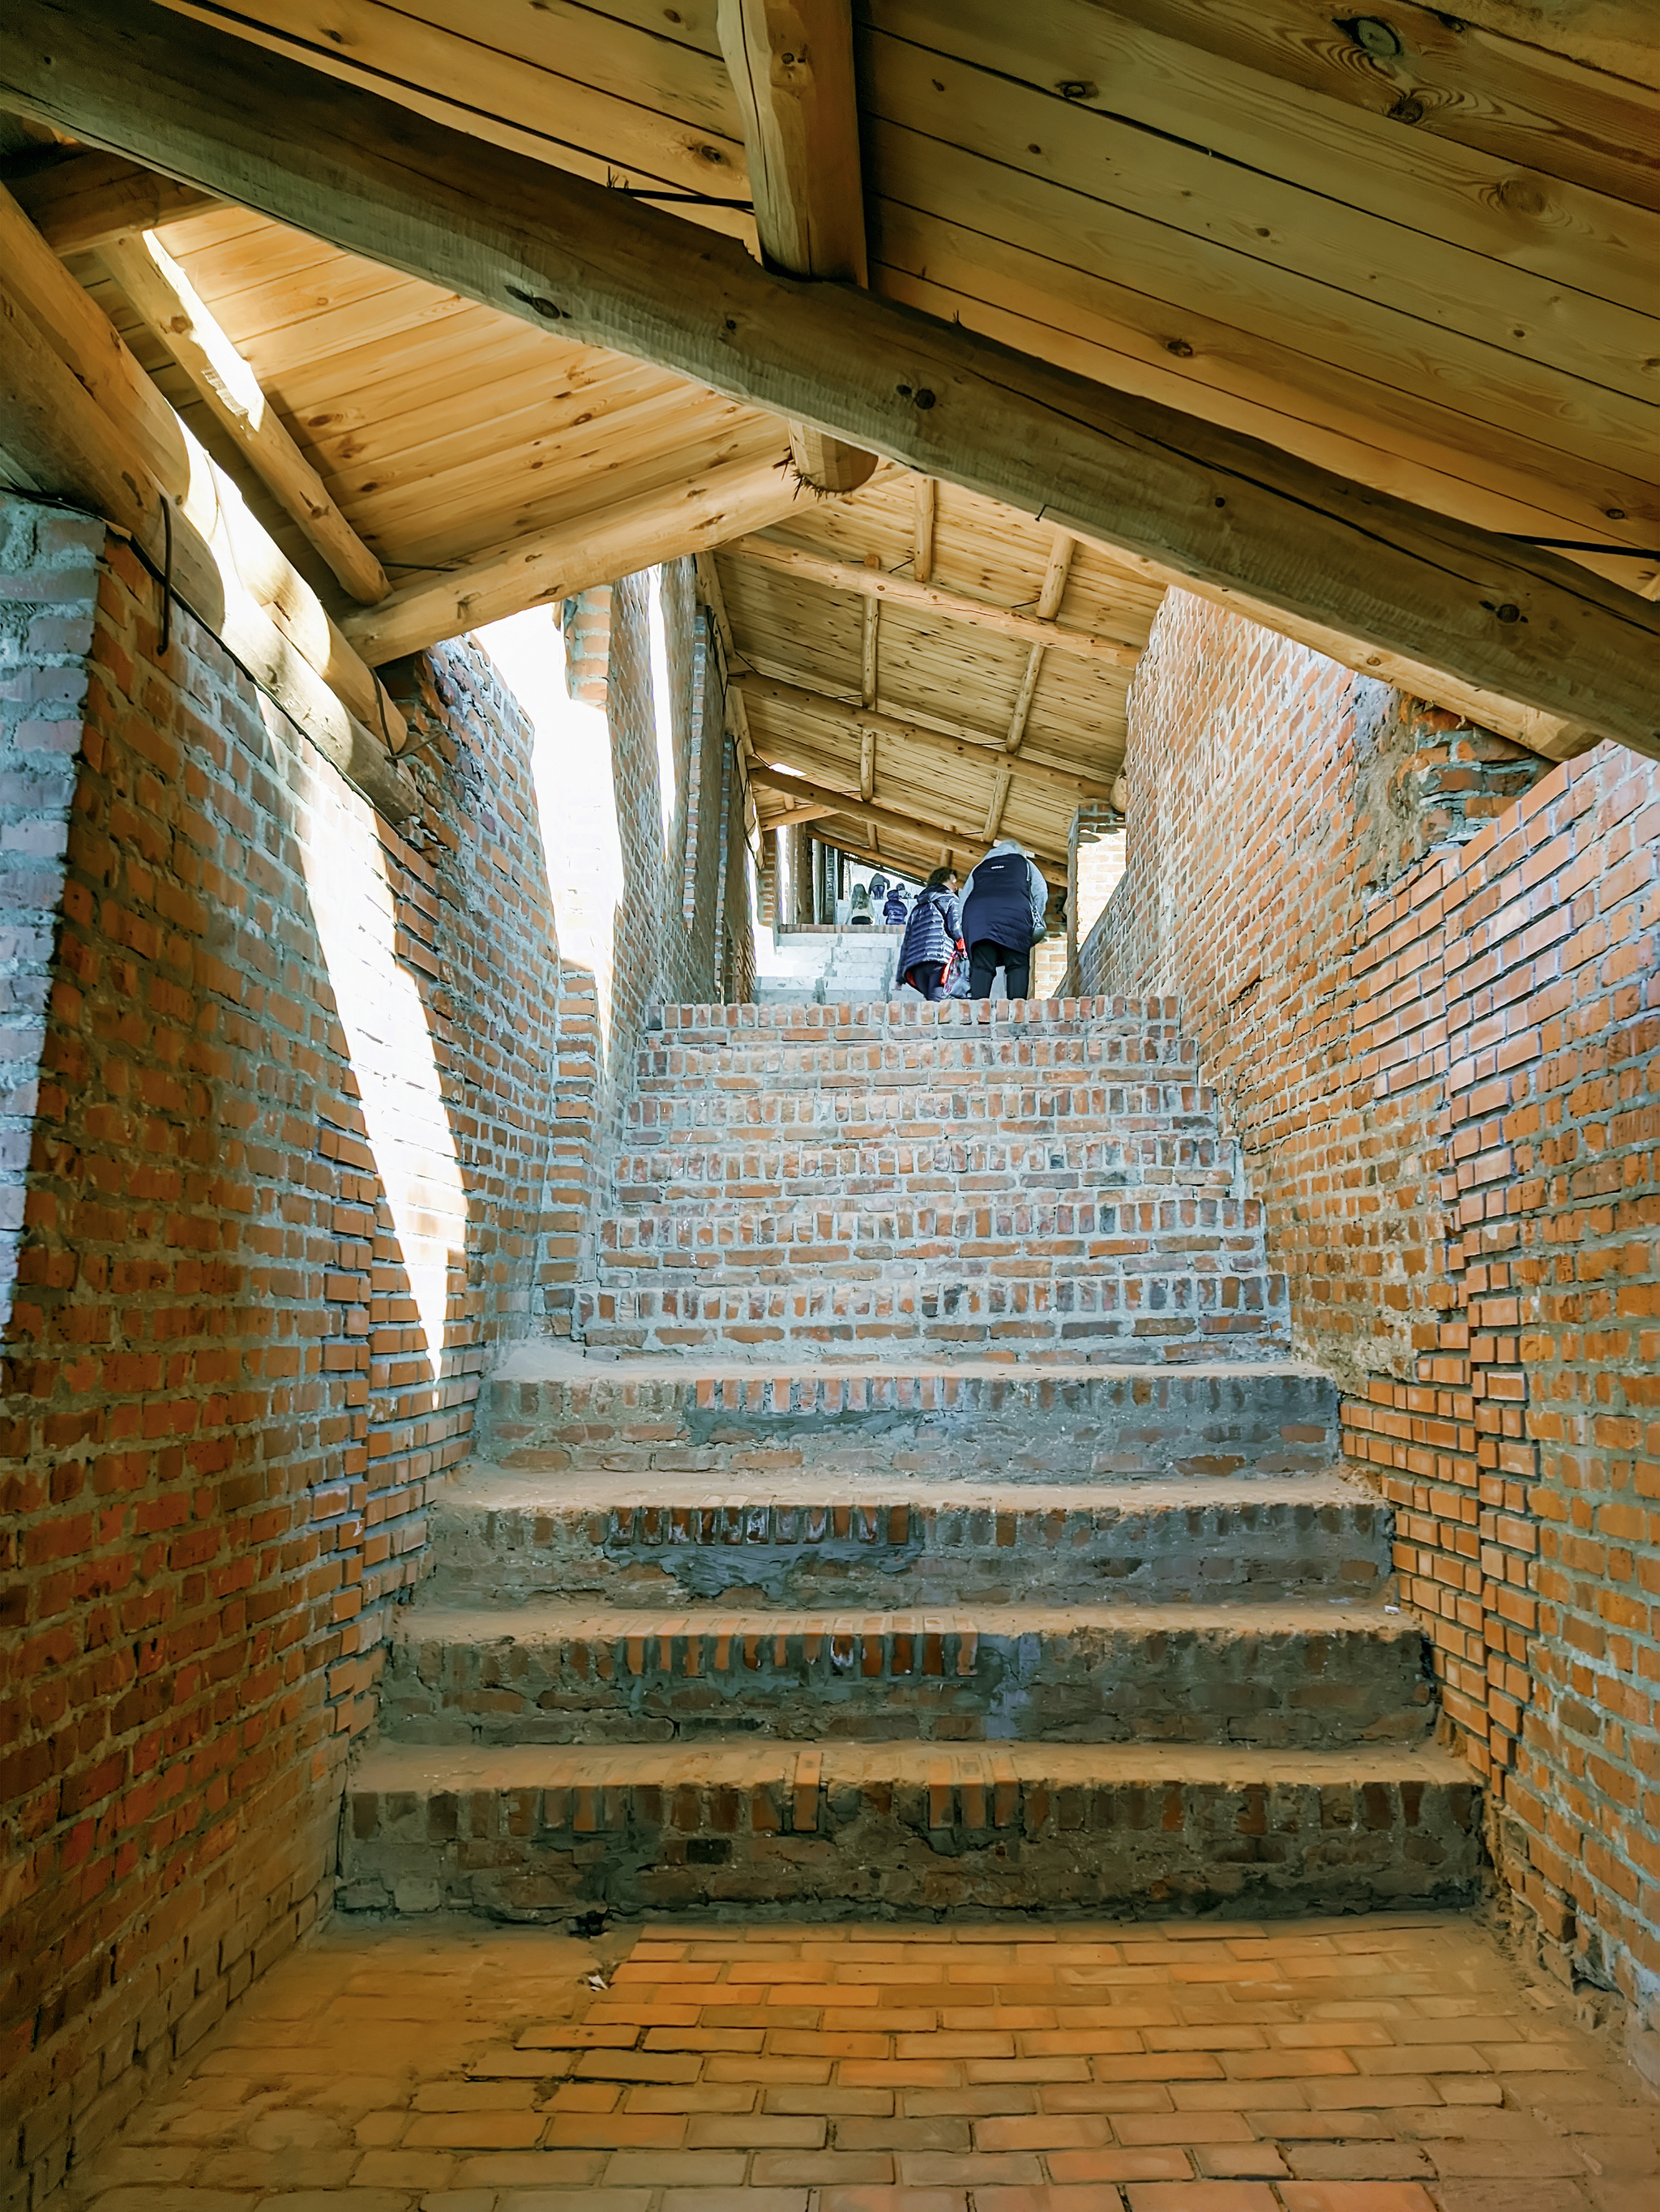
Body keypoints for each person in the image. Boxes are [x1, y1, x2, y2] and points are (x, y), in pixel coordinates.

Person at [960, 838, 1047, 1001]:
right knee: (1017, 963)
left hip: (979, 920)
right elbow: (1040, 892)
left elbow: (963, 900)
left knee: (982, 965)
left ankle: (978, 1012)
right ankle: (1017, 1010)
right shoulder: (1025, 864)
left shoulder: (979, 868)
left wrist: (966, 930)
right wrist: (1035, 919)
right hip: (1015, 917)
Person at [896, 868, 962, 1000]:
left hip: (916, 965)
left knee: (931, 1005)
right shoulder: (950, 900)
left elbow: (907, 942)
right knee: (936, 1005)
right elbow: (956, 928)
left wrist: (899, 977)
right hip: (939, 958)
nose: (955, 887)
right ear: (942, 881)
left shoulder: (918, 907)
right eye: (952, 882)